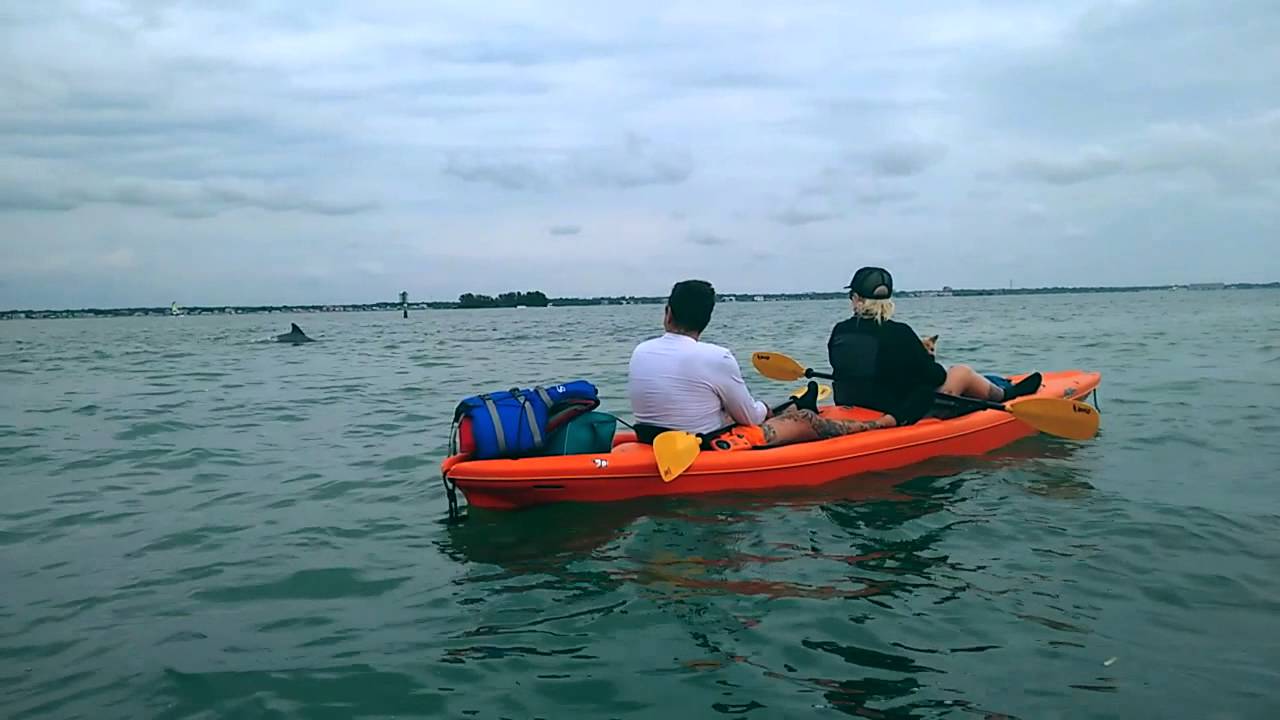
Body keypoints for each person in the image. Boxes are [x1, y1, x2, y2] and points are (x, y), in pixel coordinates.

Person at [628, 279, 893, 451]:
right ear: (706, 320)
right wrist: (765, 408)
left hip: (650, 438)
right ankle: (880, 426)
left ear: (668, 313)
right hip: (704, 445)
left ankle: (793, 403)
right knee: (807, 420)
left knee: (747, 408)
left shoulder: (641, 351)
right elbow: (749, 418)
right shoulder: (715, 356)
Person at [827, 266, 1042, 421]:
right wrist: (926, 358)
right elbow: (935, 377)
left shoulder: (840, 331)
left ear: (856, 298)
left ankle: (998, 384)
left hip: (856, 402)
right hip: (902, 409)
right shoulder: (900, 333)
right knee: (961, 372)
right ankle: (1006, 395)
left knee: (961, 375)